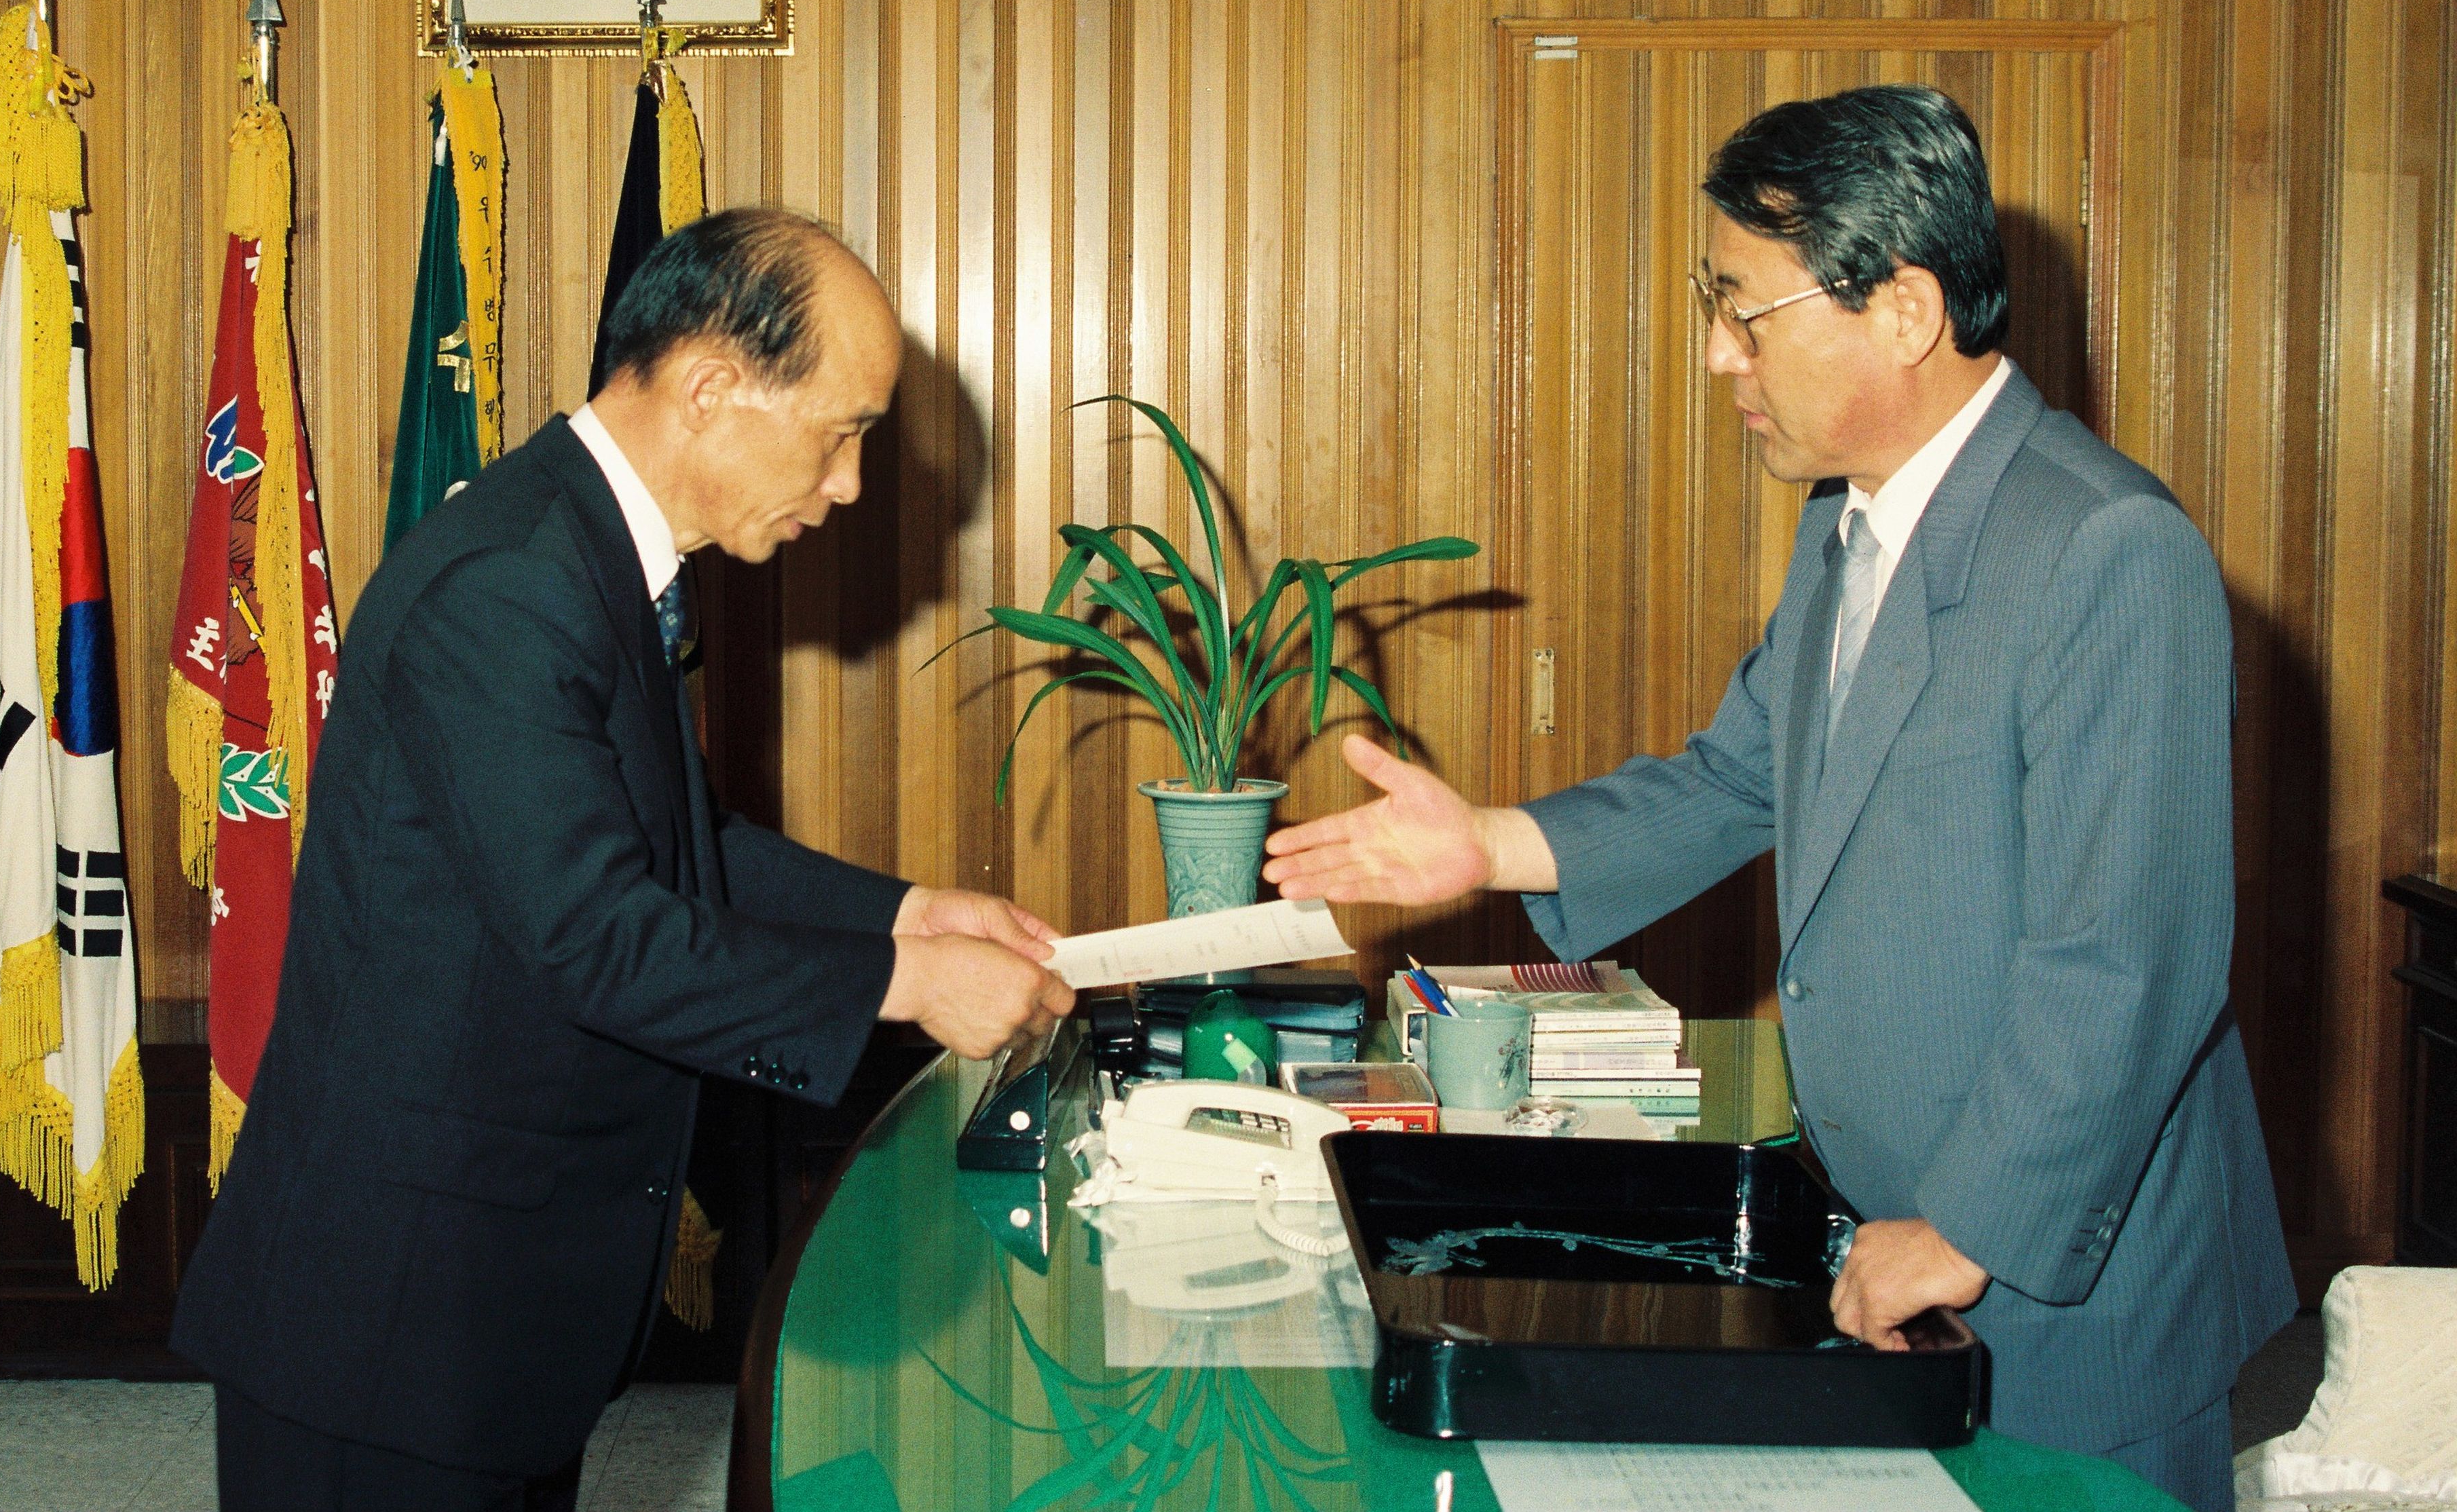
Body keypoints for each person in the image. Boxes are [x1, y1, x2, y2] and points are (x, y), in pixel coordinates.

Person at [1264, 85, 2293, 1512]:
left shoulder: (2108, 548)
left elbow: (2129, 955)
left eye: (1744, 310)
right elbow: (1740, 773)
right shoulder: (1846, 518)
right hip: (1890, 1238)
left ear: (1905, 310)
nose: (1716, 353)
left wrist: (1967, 1228)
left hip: (2062, 1274)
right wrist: (1488, 842)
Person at [172, 209, 1074, 1510]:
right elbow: (597, 933)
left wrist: (911, 914)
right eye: (840, 434)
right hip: (388, 1318)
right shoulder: (511, 582)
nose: (849, 485)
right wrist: (907, 983)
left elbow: (675, 846)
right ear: (711, 388)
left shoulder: (593, 550)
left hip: (483, 1298)